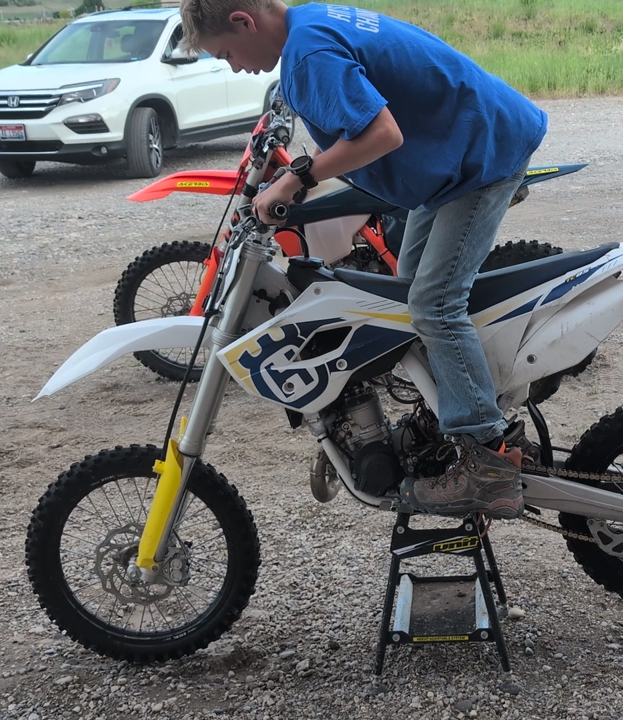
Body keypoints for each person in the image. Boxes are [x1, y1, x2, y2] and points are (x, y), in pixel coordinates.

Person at [180, 0, 547, 520]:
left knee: (434, 304)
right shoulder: (309, 24)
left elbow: (381, 134)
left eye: (227, 54)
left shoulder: (307, 54)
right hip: (460, 153)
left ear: (244, 21)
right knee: (405, 291)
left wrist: (296, 177)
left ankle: (488, 459)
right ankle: (448, 411)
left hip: (482, 158)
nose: (235, 67)